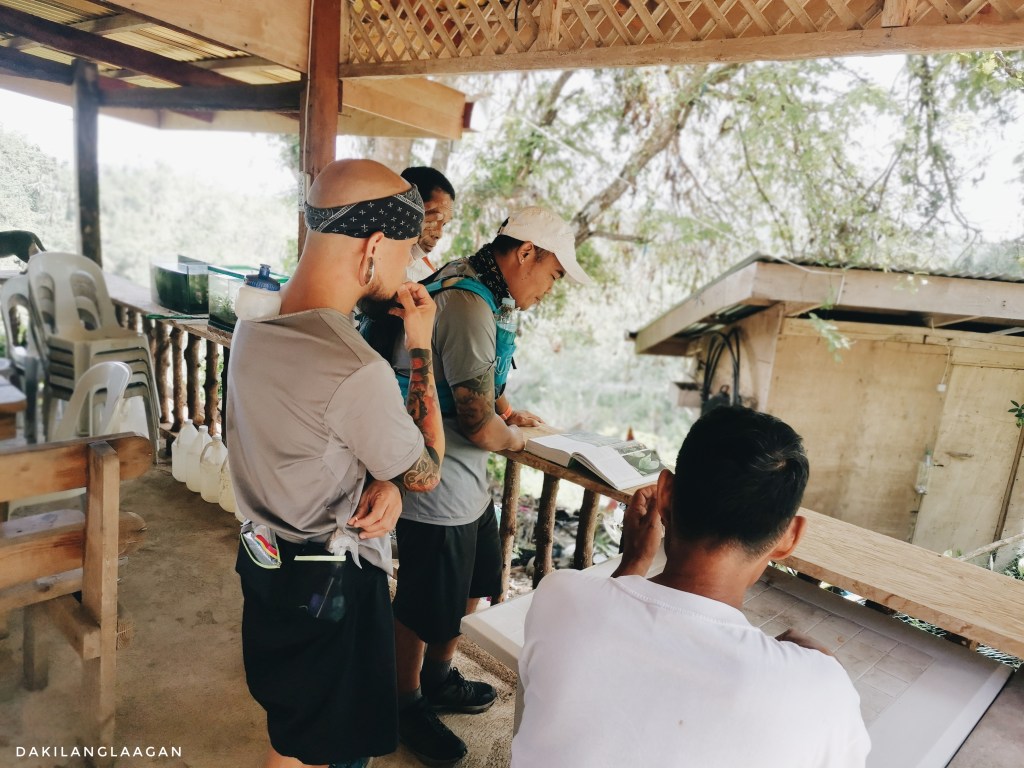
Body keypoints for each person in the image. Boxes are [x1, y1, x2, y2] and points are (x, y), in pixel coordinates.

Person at [227, 158, 447, 768]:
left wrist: (385, 480)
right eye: (406, 252)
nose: (407, 267)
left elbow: (318, 435)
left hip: (264, 561)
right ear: (374, 246)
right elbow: (425, 470)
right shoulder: (355, 367)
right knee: (334, 748)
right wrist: (422, 340)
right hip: (332, 585)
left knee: (292, 731)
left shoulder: (255, 323)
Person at [512, 406, 871, 768]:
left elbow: (608, 640)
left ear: (664, 493)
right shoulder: (820, 694)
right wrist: (815, 658)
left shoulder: (559, 596)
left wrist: (633, 563)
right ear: (789, 538)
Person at [386, 206, 592, 765]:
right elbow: (476, 423)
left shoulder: (486, 292)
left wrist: (507, 410)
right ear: (525, 253)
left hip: (468, 480)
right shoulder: (469, 303)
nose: (552, 287)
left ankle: (439, 678)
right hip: (437, 480)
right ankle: (404, 703)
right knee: (423, 600)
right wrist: (523, 442)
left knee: (468, 584)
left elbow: (479, 386)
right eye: (553, 273)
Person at [400, 166, 456, 282]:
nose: (439, 234)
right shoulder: (372, 259)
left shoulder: (429, 275)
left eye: (444, 224)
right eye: (433, 220)